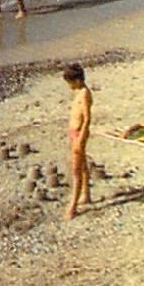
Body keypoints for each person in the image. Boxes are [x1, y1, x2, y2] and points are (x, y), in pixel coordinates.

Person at [63, 63, 92, 221]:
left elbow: (87, 118)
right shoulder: (79, 92)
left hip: (80, 133)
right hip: (74, 132)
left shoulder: (85, 94)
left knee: (76, 170)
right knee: (83, 166)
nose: (69, 86)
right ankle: (86, 194)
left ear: (78, 80)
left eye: (70, 83)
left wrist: (81, 137)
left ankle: (72, 207)